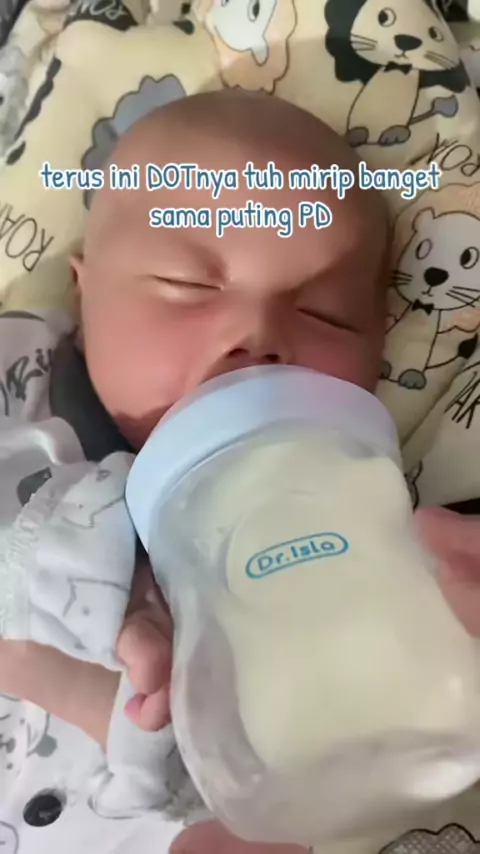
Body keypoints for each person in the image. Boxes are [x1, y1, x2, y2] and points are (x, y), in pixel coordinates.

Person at [0, 88, 476, 854]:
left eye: (325, 313)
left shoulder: (345, 495)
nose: (257, 335)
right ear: (83, 294)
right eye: (187, 286)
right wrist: (75, 576)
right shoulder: (22, 375)